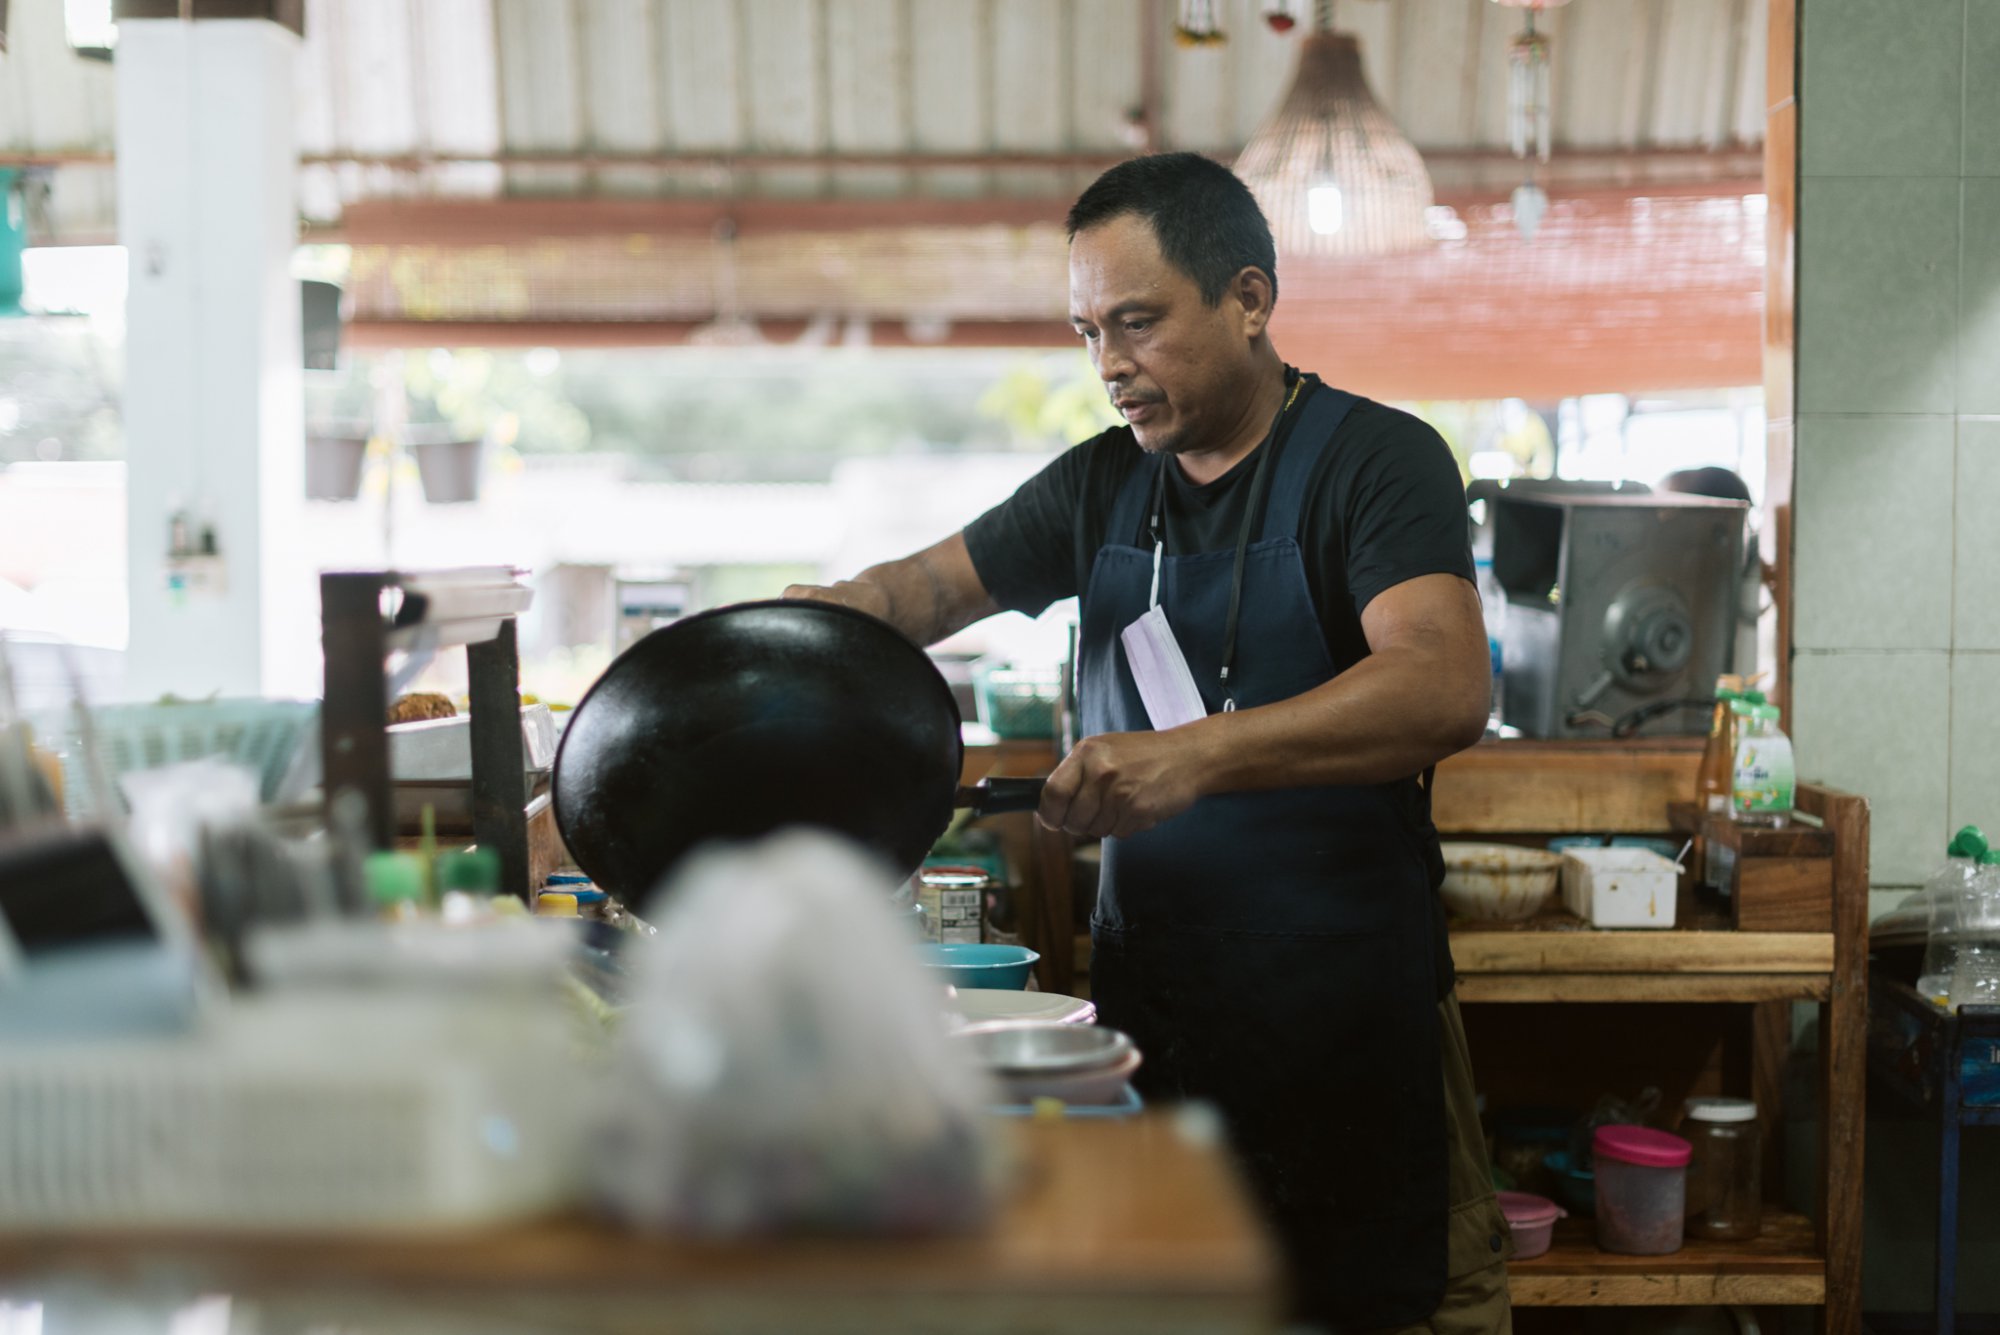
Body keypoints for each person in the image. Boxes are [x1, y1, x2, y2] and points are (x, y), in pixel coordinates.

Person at [785, 153, 1508, 1334]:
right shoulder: (1099, 490)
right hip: (1151, 1019)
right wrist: (787, 635)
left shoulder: (1376, 463)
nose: (1109, 364)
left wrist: (1194, 755)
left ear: (1247, 300)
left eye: (1136, 322)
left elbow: (1438, 686)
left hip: (1347, 1022)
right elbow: (916, 595)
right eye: (1085, 332)